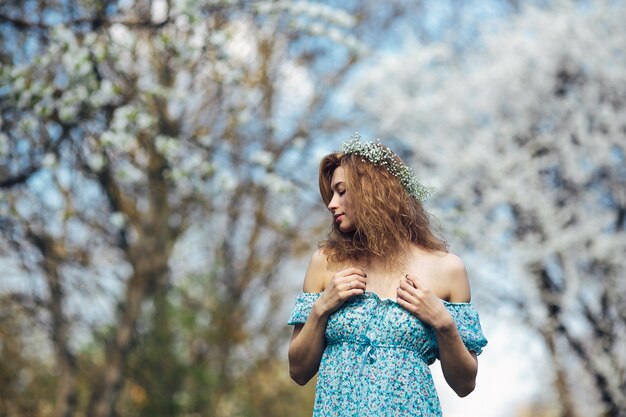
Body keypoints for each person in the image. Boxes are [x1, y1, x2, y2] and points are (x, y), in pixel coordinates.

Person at [287, 134, 487, 417]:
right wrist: (322, 308)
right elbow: (298, 371)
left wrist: (443, 323)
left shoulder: (447, 269)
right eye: (331, 194)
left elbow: (464, 384)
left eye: (342, 192)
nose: (332, 203)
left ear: (374, 192)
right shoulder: (325, 263)